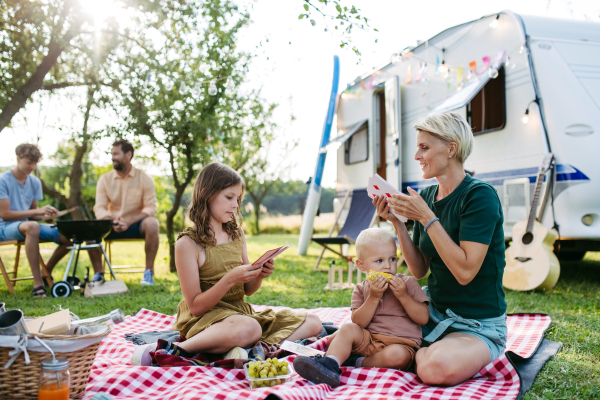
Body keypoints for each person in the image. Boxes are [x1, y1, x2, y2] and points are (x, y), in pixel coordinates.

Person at [131, 162, 322, 366]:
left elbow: (248, 290)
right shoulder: (187, 243)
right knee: (250, 328)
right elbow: (195, 306)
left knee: (312, 321)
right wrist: (229, 279)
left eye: (238, 199)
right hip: (206, 319)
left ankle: (252, 349)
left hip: (239, 313)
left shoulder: (236, 234)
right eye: (229, 197)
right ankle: (177, 349)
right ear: (206, 194)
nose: (235, 205)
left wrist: (259, 274)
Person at [373, 112, 507, 386]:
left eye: (424, 147)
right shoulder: (425, 198)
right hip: (431, 312)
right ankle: (413, 348)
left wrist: (426, 218)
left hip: (476, 325)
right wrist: (399, 224)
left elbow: (465, 272)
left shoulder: (479, 196)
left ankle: (414, 352)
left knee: (435, 368)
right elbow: (420, 270)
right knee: (368, 314)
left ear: (451, 148)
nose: (416, 156)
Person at [293, 228, 429, 387]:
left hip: (400, 344)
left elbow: (423, 318)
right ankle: (329, 363)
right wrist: (373, 298)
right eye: (379, 261)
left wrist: (404, 296)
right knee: (347, 329)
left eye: (392, 259)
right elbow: (359, 322)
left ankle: (355, 362)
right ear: (361, 265)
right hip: (367, 339)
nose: (388, 266)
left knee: (398, 356)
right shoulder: (361, 289)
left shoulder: (408, 283)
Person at [0, 144, 74, 298]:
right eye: (29, 162)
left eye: (35, 163)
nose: (32, 166)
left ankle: (46, 270)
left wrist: (47, 216)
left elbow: (34, 216)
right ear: (18, 158)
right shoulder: (3, 180)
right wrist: (36, 212)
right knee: (33, 227)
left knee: (70, 235)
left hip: (27, 225)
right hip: (4, 227)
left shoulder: (34, 182)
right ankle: (38, 283)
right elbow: (5, 214)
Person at [90, 139, 159, 285]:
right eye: (112, 154)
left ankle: (148, 273)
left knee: (153, 223)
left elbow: (150, 208)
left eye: (116, 154)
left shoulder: (144, 179)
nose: (113, 157)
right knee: (91, 227)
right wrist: (110, 219)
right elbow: (99, 208)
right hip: (111, 225)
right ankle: (98, 274)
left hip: (136, 225)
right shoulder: (105, 179)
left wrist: (129, 221)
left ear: (128, 154)